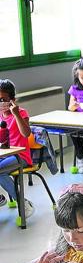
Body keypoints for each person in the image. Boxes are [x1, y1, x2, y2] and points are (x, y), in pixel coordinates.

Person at [0, 79, 33, 216]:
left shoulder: (21, 113)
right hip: (5, 155)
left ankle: (23, 202)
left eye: (3, 99)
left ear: (12, 100)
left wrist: (16, 114)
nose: (0, 103)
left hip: (21, 156)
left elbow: (26, 133)